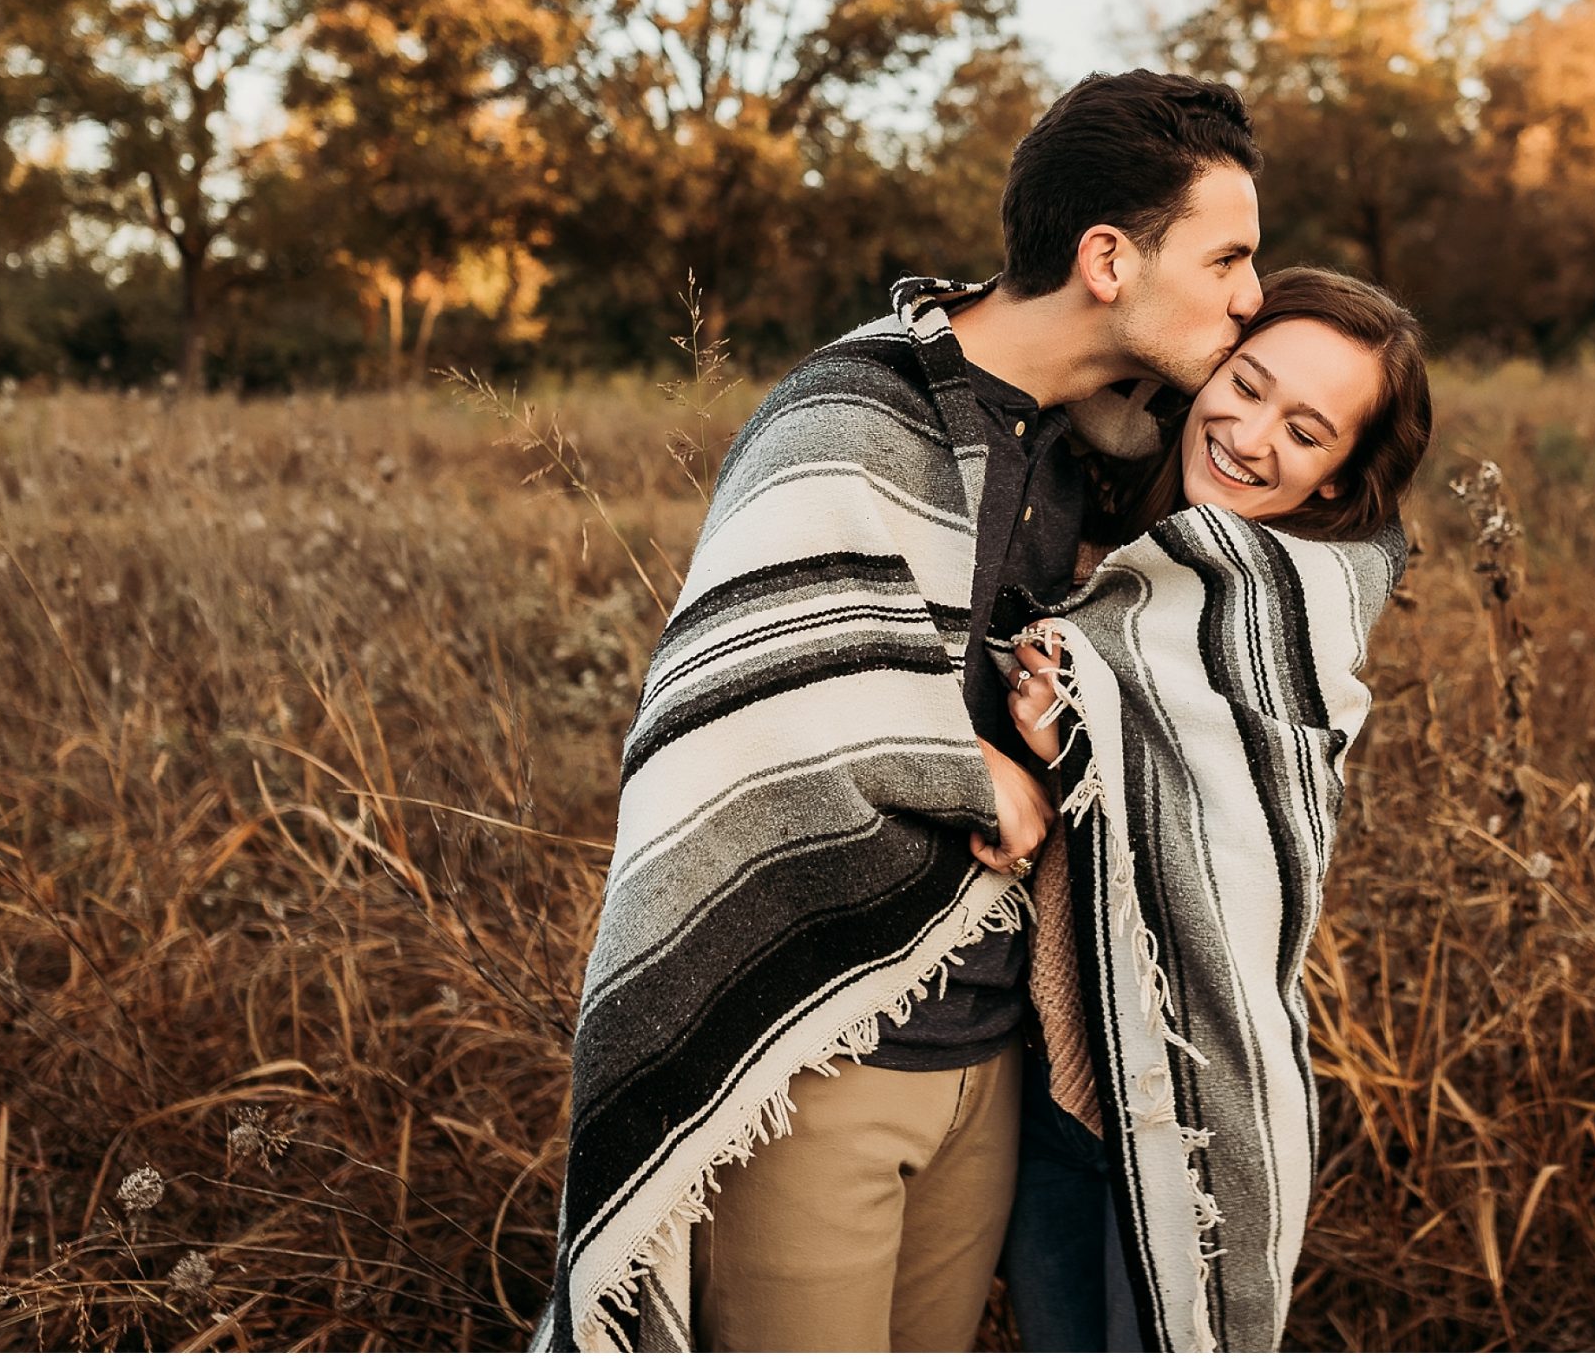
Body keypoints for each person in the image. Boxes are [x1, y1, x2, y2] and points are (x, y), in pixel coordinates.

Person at [530, 70, 1266, 1354]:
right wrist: (963, 764)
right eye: (1228, 259)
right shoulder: (855, 414)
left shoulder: (1089, 449)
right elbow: (744, 698)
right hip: (821, 1050)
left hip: (986, 1060)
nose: (1249, 297)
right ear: (1107, 258)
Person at [990, 266, 1434, 1352]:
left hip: (1179, 1092)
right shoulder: (1086, 529)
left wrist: (1074, 735)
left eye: (1306, 429)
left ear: (1333, 482)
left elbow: (1231, 831)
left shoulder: (1289, 613)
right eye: (1245, 383)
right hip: (1041, 1074)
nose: (1249, 433)